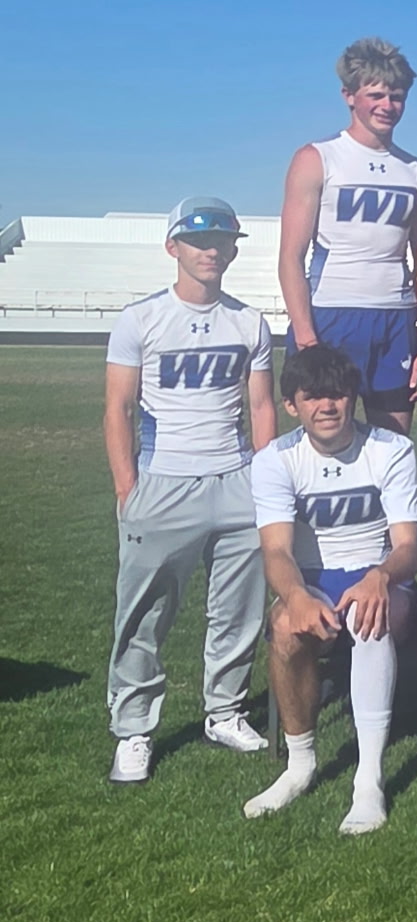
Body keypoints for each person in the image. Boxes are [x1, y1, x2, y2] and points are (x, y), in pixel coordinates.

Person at [103, 196, 275, 784]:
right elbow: (119, 407)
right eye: (199, 240)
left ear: (233, 249)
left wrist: (265, 481)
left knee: (238, 610)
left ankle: (224, 711)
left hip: (236, 482)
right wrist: (128, 487)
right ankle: (134, 729)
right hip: (163, 482)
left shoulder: (249, 322)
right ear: (173, 246)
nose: (211, 250)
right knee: (144, 614)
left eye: (222, 240)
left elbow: (261, 406)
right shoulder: (141, 319)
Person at [243, 346, 417, 835]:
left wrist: (381, 576)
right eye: (313, 397)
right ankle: (300, 765)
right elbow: (276, 552)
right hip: (313, 578)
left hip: (378, 574)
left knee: (370, 616)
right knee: (285, 628)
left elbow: (410, 546)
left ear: (353, 398)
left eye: (338, 395)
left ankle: (369, 779)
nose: (327, 406)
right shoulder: (275, 459)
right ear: (291, 406)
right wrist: (297, 597)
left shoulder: (391, 449)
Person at [278, 37, 417, 432]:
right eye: (376, 95)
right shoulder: (317, 158)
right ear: (349, 96)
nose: (387, 105)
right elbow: (291, 257)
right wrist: (307, 339)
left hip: (395, 318)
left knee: (393, 439)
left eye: (396, 96)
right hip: (332, 314)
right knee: (325, 438)